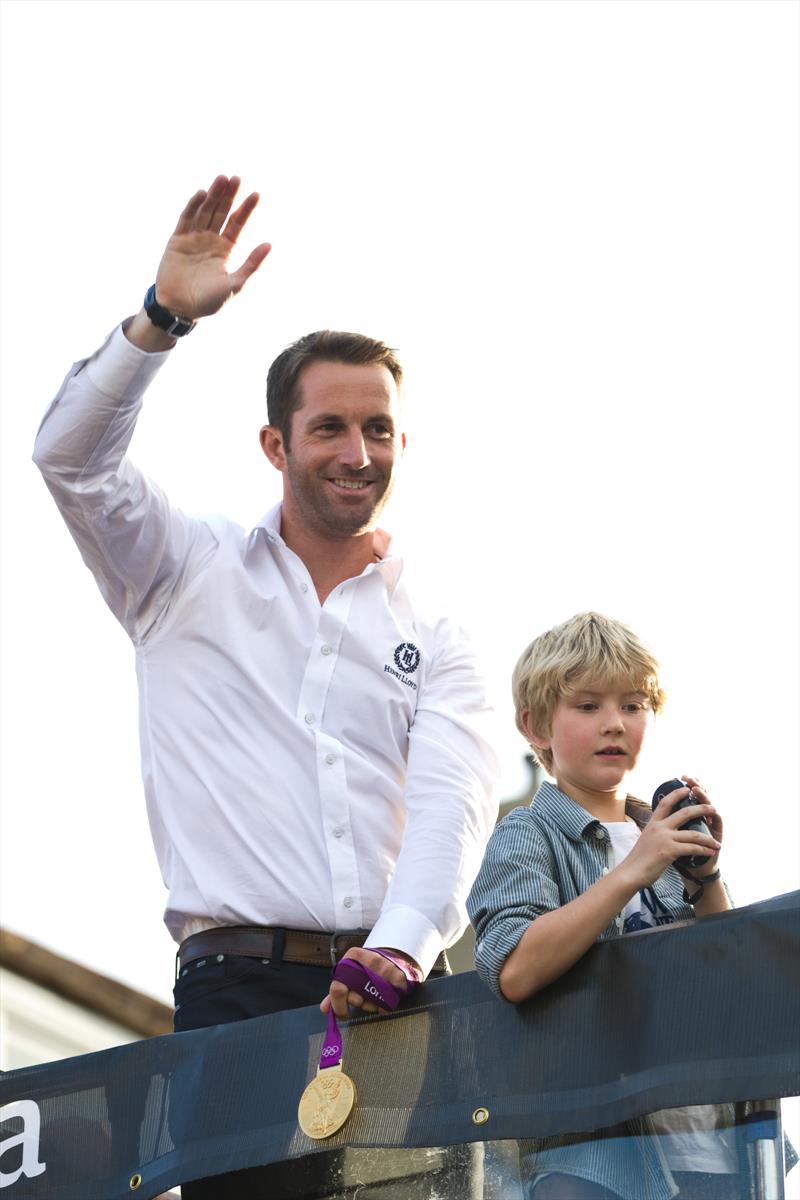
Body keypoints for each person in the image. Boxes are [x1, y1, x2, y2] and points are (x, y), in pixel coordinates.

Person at [33, 175, 499, 1197]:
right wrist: (159, 321)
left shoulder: (440, 629)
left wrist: (401, 946)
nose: (356, 452)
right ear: (274, 444)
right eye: (329, 427)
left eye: (378, 430)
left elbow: (450, 809)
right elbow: (66, 457)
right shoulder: (177, 572)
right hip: (235, 995)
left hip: (397, 1000)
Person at [467, 611, 739, 1200]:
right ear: (534, 724)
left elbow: (736, 985)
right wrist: (631, 871)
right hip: (596, 1163)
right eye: (587, 706)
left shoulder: (662, 833)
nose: (614, 724)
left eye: (633, 705)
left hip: (713, 1150)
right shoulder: (528, 833)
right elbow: (512, 967)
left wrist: (708, 878)